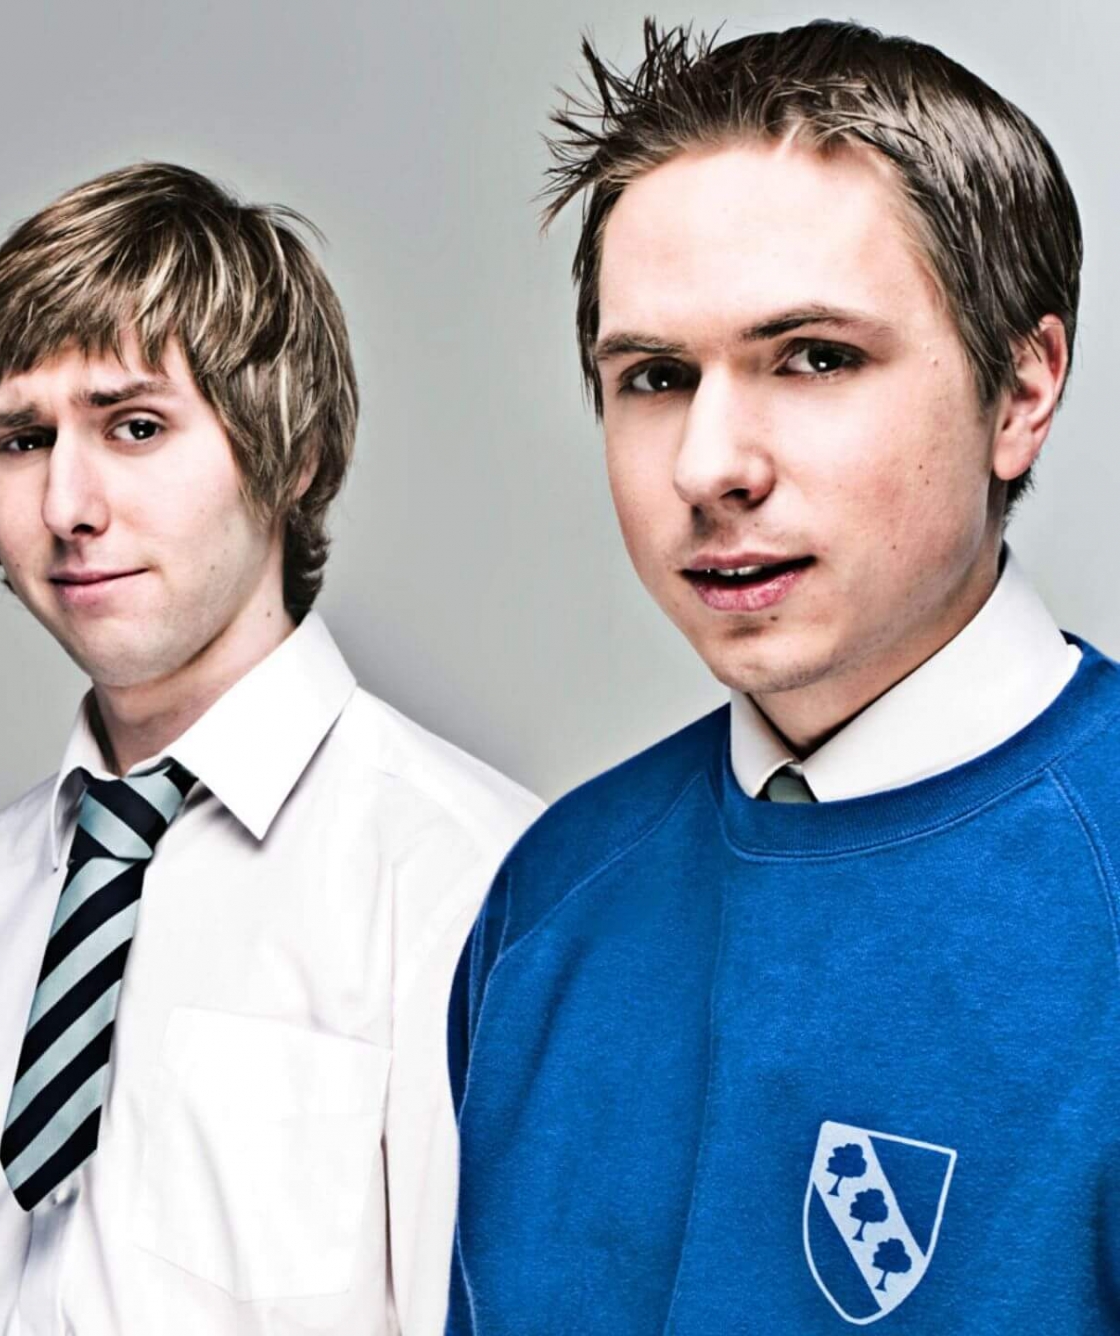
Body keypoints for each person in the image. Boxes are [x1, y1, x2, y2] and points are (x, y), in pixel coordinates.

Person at [450, 20, 1100, 1330]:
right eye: (653, 377)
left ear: (1022, 390)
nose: (709, 464)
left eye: (811, 358)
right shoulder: (551, 902)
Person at [0, 162, 539, 1335]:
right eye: (19, 439)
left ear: (287, 453)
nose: (66, 504)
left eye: (135, 426)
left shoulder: (469, 878)